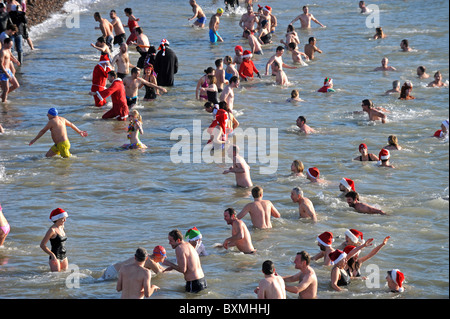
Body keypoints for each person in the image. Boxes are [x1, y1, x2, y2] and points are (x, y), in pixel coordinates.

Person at [163, 229, 207, 293]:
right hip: (202, 280)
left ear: (178, 240)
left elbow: (183, 270)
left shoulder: (179, 248)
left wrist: (169, 264)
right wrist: (173, 267)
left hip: (193, 282)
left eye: (171, 241)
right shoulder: (188, 245)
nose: (169, 243)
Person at [101, 245, 167, 280]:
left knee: (98, 281)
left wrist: (174, 268)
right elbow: (161, 274)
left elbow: (163, 269)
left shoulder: (150, 258)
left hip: (112, 269)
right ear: (159, 256)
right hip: (113, 273)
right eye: (164, 255)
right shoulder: (151, 262)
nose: (166, 257)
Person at [0, 37, 20, 103]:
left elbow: (10, 56)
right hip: (3, 72)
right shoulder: (2, 52)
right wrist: (6, 73)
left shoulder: (8, 49)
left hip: (8, 70)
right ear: (5, 43)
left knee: (16, 85)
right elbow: (0, 64)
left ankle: (2, 96)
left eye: (11, 45)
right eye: (10, 45)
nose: (11, 46)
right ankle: (4, 103)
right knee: (6, 89)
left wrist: (15, 61)